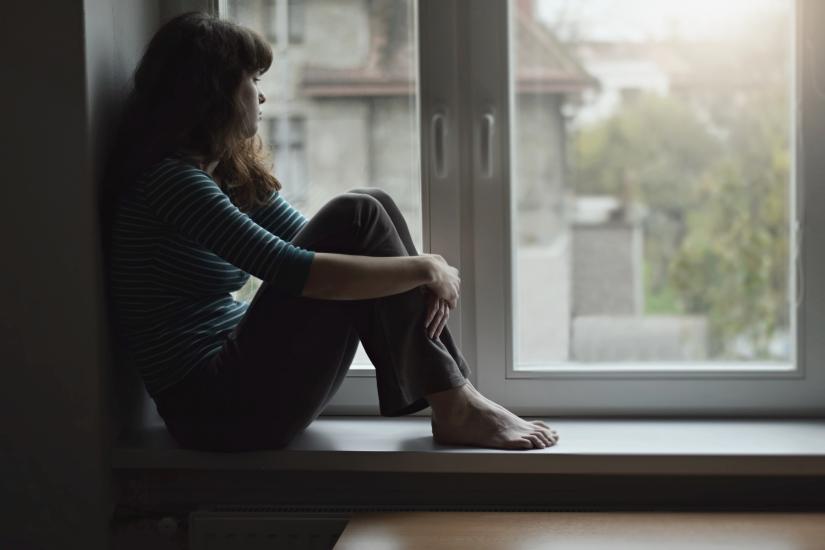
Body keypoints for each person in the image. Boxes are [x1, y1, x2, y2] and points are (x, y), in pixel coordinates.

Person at [103, 11, 558, 452]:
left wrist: (416, 270)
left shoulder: (224, 175)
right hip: (215, 410)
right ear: (215, 92)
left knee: (371, 206)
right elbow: (294, 269)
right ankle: (455, 402)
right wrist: (423, 268)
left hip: (241, 392)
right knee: (358, 212)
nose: (261, 98)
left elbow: (317, 242)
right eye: (253, 81)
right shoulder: (171, 183)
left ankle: (455, 398)